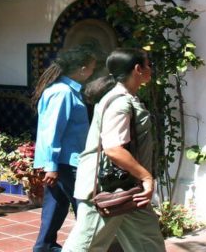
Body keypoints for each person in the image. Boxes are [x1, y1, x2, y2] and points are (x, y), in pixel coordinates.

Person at [63, 49, 165, 252]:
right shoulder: (120, 102)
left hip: (129, 190)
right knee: (85, 246)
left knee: (149, 244)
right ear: (138, 69)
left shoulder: (127, 98)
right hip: (105, 189)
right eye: (148, 65)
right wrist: (146, 177)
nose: (151, 69)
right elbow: (114, 149)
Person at [31, 47, 98, 252]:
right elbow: (52, 131)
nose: (93, 73)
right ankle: (87, 247)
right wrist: (51, 165)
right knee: (87, 209)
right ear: (83, 69)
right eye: (92, 69)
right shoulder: (63, 92)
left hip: (63, 162)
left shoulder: (64, 90)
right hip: (68, 162)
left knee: (56, 206)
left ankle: (44, 247)